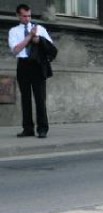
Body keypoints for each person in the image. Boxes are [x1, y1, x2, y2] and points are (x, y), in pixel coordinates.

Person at [8, 4, 54, 138]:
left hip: (37, 65)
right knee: (25, 98)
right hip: (23, 65)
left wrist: (39, 39)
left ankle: (42, 128)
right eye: (24, 16)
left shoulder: (40, 28)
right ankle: (28, 128)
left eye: (29, 15)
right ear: (18, 16)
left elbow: (50, 47)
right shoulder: (14, 31)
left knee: (40, 98)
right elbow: (15, 50)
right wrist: (29, 37)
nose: (27, 18)